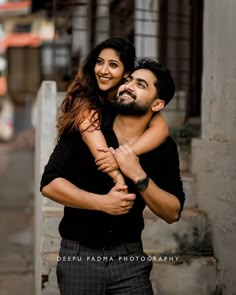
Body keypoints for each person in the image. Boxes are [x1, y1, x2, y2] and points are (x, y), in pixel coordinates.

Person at [40, 58, 185, 294]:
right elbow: (49, 184)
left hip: (129, 257)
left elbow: (173, 212)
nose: (127, 86)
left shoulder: (164, 148)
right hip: (79, 256)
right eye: (127, 81)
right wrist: (102, 203)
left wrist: (138, 174)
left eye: (141, 85)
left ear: (157, 104)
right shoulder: (88, 126)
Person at [57, 37, 169, 186]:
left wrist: (123, 156)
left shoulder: (130, 98)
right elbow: (94, 139)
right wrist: (119, 180)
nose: (103, 71)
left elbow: (161, 129)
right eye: (99, 62)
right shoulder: (85, 97)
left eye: (113, 65)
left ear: (126, 73)